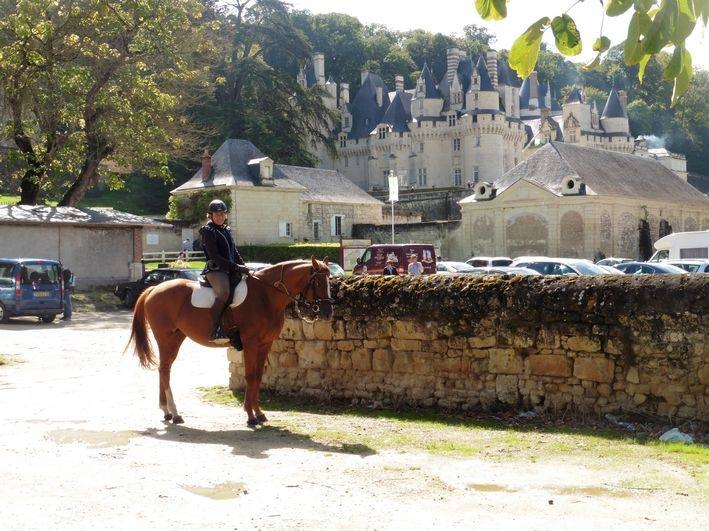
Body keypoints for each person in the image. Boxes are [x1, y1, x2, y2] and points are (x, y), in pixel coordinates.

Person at [199, 199, 249, 346]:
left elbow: (234, 251)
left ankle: (236, 329)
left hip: (231, 268)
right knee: (224, 293)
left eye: (222, 214)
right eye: (217, 214)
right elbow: (215, 256)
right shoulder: (208, 231)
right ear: (210, 215)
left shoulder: (226, 229)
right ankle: (215, 329)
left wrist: (243, 265)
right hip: (216, 269)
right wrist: (237, 268)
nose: (220, 217)